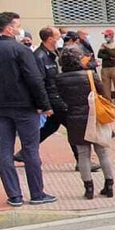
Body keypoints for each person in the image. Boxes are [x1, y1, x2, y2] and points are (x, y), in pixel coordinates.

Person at [0, 13, 58, 207]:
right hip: (24, 106)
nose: (19, 29)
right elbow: (34, 79)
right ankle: (37, 193)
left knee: (4, 150)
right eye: (17, 25)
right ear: (8, 29)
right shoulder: (20, 50)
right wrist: (44, 105)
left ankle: (14, 195)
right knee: (31, 149)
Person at [51, 47, 115, 199]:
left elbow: (59, 98)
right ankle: (109, 185)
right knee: (103, 152)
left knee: (83, 154)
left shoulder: (59, 79)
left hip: (74, 118)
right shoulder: (90, 75)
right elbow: (104, 94)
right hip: (95, 118)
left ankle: (88, 189)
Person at [30, 27, 68, 159]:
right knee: (72, 125)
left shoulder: (55, 54)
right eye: (58, 36)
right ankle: (81, 160)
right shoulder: (39, 56)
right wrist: (44, 105)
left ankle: (25, 152)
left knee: (51, 126)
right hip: (53, 97)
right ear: (50, 39)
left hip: (59, 94)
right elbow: (39, 82)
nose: (60, 39)